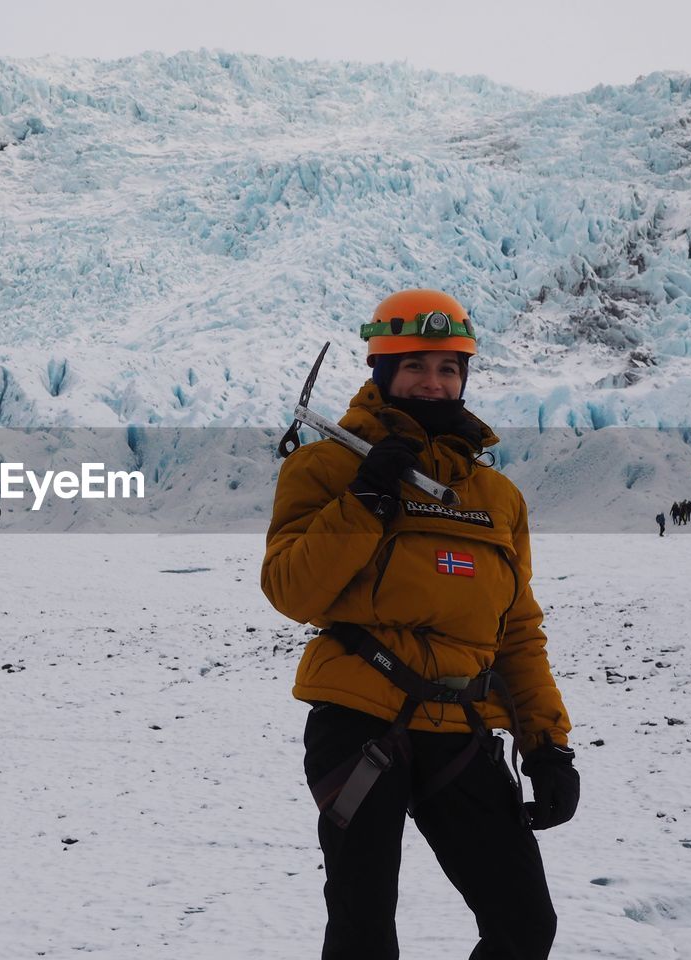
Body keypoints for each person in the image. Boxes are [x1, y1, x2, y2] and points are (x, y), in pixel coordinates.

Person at [262, 290, 577, 960]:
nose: (433, 383)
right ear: (381, 371)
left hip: (462, 727)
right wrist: (366, 499)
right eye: (414, 366)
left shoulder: (497, 499)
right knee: (363, 932)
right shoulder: (324, 467)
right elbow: (291, 590)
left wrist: (547, 743)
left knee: (525, 925)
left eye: (449, 367)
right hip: (360, 718)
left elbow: (516, 629)